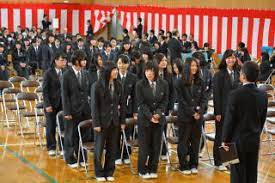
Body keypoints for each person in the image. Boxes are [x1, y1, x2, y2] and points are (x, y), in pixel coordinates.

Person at [222, 61, 268, 183]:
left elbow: (229, 121)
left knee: (237, 174)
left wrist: (224, 140)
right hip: (254, 139)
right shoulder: (263, 95)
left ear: (243, 75)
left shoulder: (235, 94)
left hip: (237, 141)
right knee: (252, 173)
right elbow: (262, 119)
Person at [91, 61, 126, 182]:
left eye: (116, 69)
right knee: (99, 149)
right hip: (101, 122)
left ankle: (109, 171)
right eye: (114, 70)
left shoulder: (119, 85)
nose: (116, 71)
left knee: (112, 148)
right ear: (107, 72)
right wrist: (96, 123)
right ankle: (99, 172)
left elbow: (122, 104)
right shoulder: (97, 85)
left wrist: (122, 121)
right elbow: (94, 106)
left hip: (114, 122)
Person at [136, 61, 169, 179]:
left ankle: (153, 168)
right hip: (145, 120)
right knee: (144, 146)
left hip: (159, 120)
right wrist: (150, 116)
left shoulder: (164, 83)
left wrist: (158, 114)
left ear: (156, 71)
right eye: (147, 71)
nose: (149, 73)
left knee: (156, 146)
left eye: (151, 71)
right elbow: (141, 103)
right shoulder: (140, 84)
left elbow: (165, 101)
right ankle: (142, 169)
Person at [175, 57, 208, 175]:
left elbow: (204, 98)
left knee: (195, 141)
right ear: (187, 67)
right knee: (183, 141)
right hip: (185, 116)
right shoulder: (180, 81)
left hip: (198, 118)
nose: (194, 68)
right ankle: (183, 165)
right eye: (192, 65)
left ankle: (194, 164)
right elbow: (181, 100)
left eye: (196, 66)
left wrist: (199, 112)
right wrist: (192, 112)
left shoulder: (201, 81)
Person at [61, 50, 91, 168]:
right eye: (82, 59)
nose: (85, 61)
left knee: (84, 134)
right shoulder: (66, 75)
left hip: (85, 109)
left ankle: (82, 156)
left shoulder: (85, 73)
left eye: (85, 59)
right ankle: (70, 158)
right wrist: (67, 111)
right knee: (70, 134)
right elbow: (65, 95)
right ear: (76, 61)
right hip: (72, 110)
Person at [213, 49, 240, 171]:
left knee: (231, 136)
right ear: (225, 59)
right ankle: (218, 161)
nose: (231, 60)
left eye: (233, 57)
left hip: (236, 111)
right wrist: (217, 112)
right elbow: (216, 94)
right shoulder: (219, 74)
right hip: (223, 111)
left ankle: (228, 160)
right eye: (229, 58)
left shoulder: (239, 73)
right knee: (220, 136)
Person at [42, 52, 67, 156]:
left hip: (63, 103)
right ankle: (51, 147)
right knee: (51, 126)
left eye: (65, 60)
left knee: (63, 126)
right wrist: (47, 104)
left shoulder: (66, 72)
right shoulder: (48, 73)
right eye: (62, 60)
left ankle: (62, 148)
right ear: (55, 61)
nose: (64, 62)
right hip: (51, 104)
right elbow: (45, 90)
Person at [115, 54, 138, 165]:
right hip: (116, 110)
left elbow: (135, 96)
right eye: (119, 63)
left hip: (128, 110)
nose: (122, 65)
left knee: (127, 133)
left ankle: (126, 153)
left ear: (128, 64)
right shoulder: (113, 76)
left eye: (124, 63)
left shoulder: (133, 77)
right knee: (115, 134)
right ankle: (116, 155)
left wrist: (134, 111)